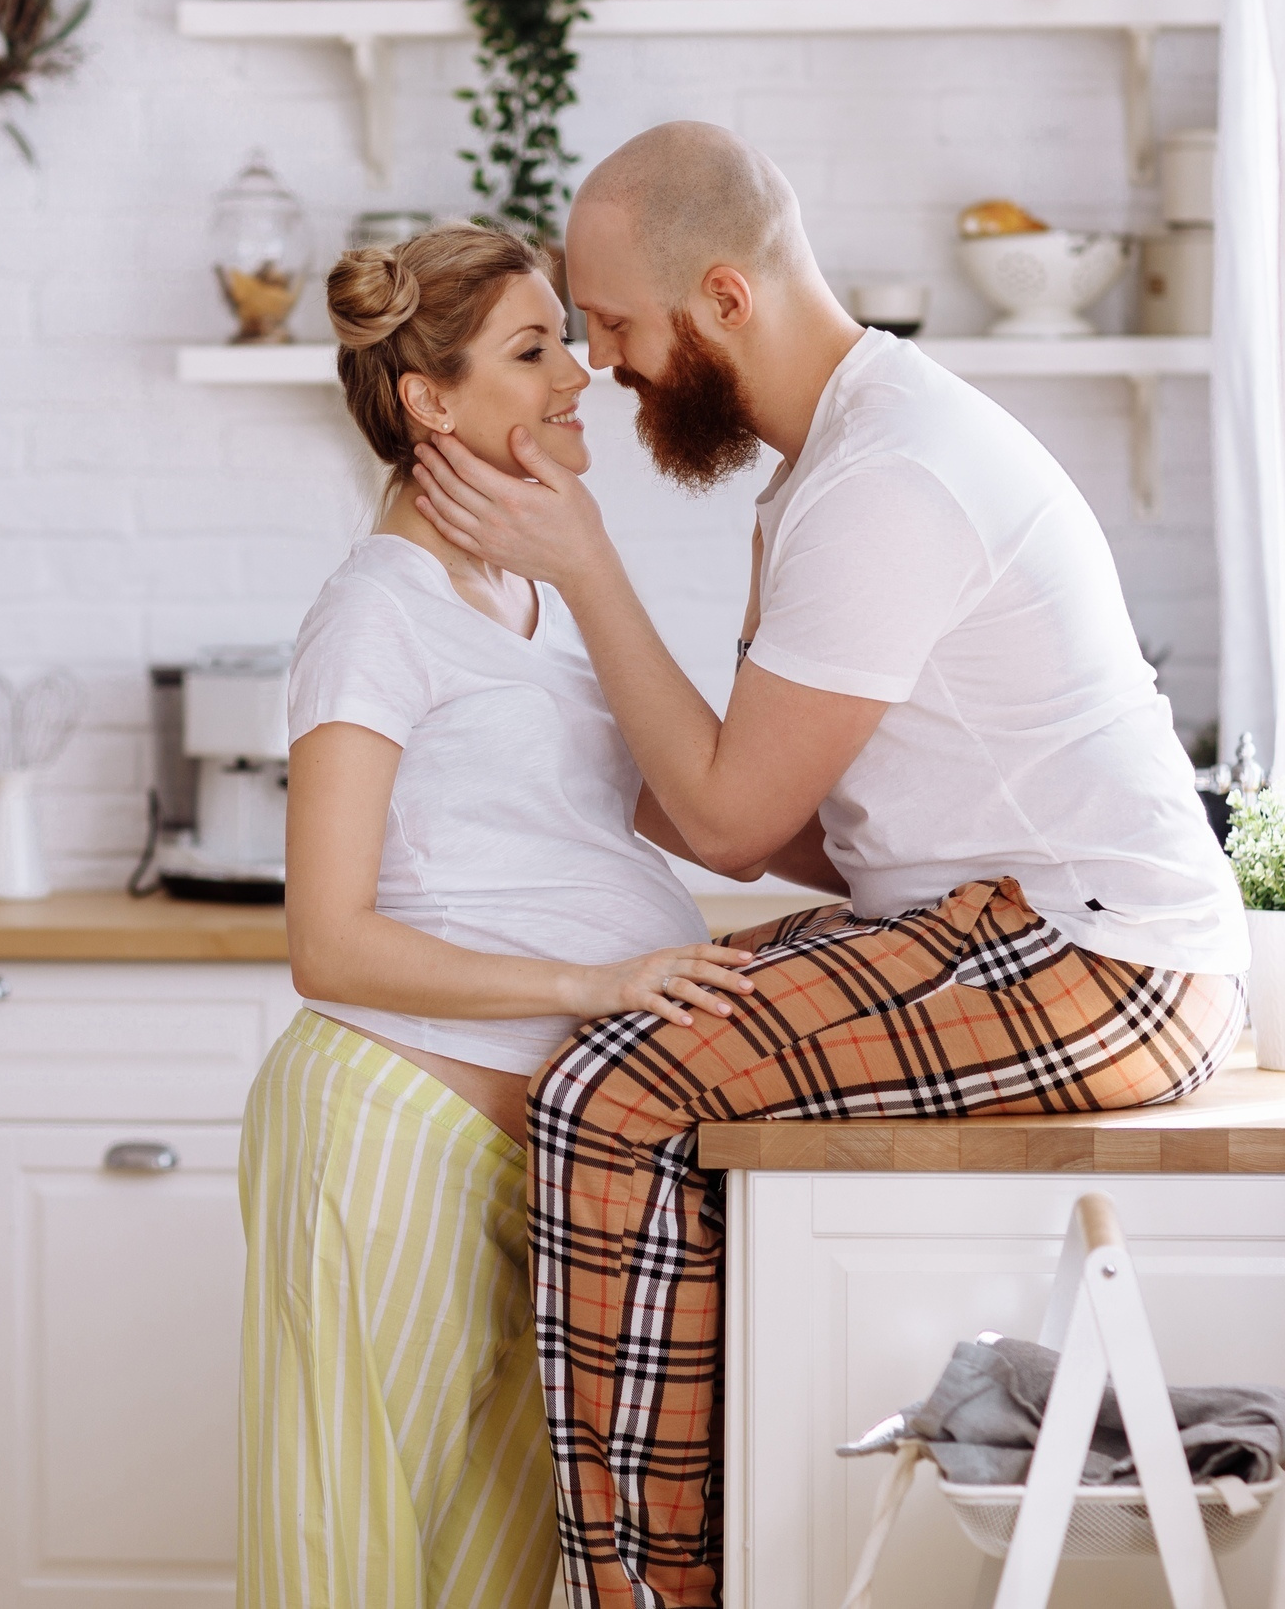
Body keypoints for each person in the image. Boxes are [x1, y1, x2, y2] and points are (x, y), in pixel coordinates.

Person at [408, 123, 1251, 1608]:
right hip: (1032, 936)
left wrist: (584, 566)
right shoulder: (834, 462)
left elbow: (733, 825)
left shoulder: (887, 480)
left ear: (724, 297)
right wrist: (535, 705)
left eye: (613, 327)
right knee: (656, 1020)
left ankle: (648, 1597)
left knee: (611, 1093)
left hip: (1097, 959)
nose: (602, 367)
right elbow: (801, 824)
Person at [239, 221, 761, 1609]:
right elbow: (327, 943)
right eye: (534, 352)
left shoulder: (529, 600)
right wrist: (600, 981)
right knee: (345, 1555)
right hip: (387, 1128)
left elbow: (697, 808)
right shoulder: (376, 610)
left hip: (535, 1158)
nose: (579, 376)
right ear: (431, 399)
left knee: (500, 1569)